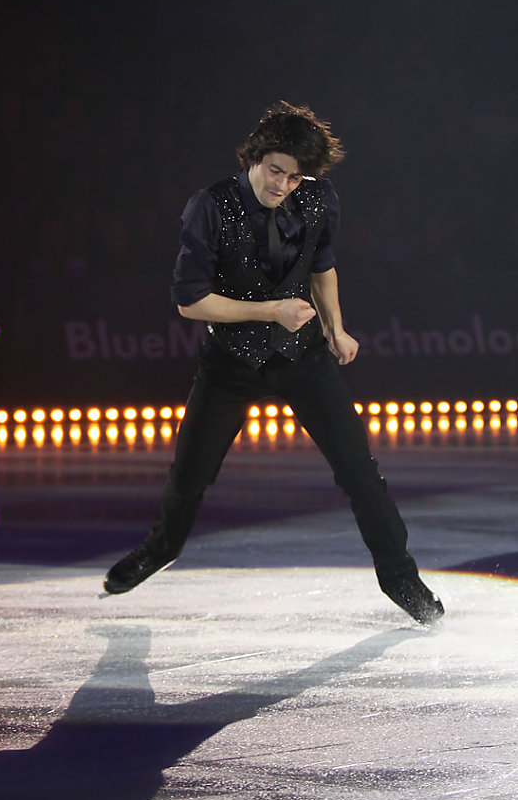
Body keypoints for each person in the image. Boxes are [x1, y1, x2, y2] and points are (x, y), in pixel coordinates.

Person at [104, 102, 443, 625]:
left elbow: (323, 264)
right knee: (190, 473)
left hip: (301, 355)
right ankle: (161, 548)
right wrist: (272, 311)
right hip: (229, 362)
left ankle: (398, 573)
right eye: (275, 170)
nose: (283, 184)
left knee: (359, 470)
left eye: (294, 175)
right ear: (254, 158)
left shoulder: (318, 199)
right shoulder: (211, 205)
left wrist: (335, 327)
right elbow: (190, 301)